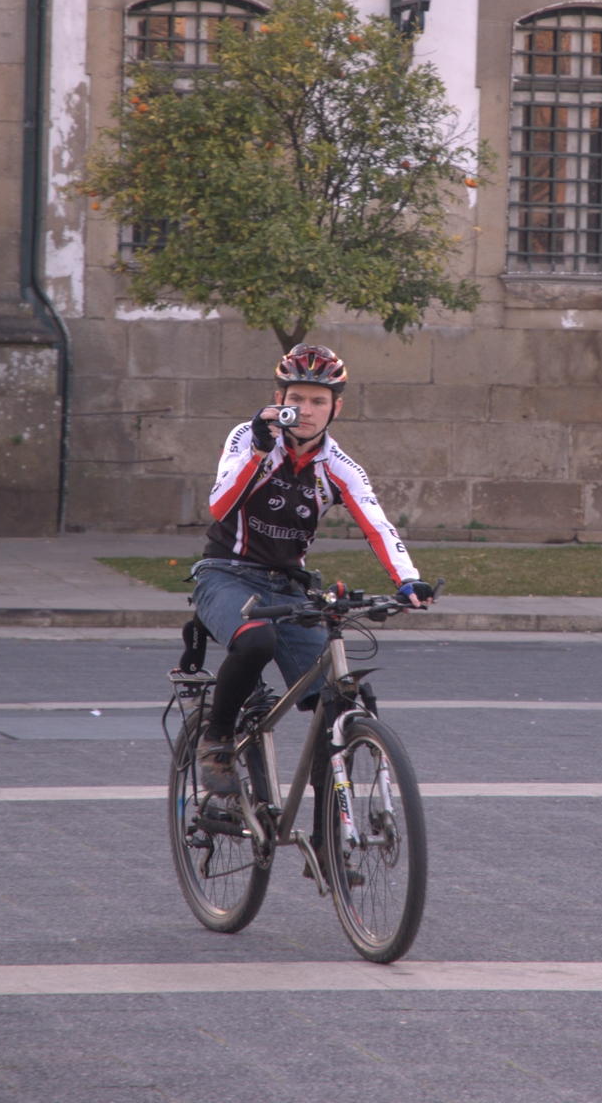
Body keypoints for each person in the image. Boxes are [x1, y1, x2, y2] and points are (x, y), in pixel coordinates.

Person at [190, 343, 432, 867]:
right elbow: (219, 504)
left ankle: (326, 837)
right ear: (278, 399)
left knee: (343, 699)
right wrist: (259, 452)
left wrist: (408, 581)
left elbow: (376, 522)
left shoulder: (339, 466)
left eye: (318, 401)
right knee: (256, 640)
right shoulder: (248, 438)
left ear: (335, 407)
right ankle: (216, 739)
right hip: (224, 575)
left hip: (289, 588)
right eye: (295, 399)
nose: (305, 409)